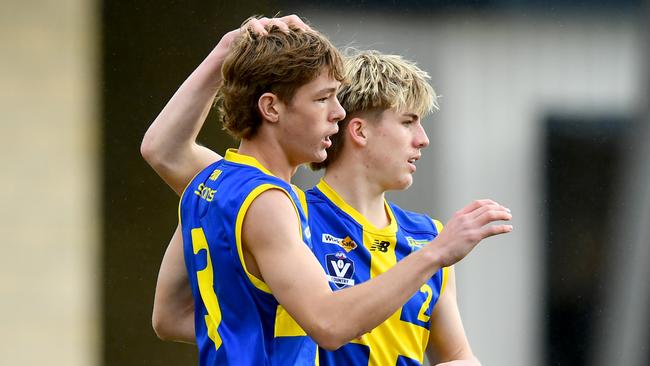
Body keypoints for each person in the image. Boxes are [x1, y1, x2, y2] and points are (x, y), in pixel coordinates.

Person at [141, 15, 512, 366]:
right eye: (407, 121)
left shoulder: (222, 184)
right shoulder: (275, 204)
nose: (337, 113)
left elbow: (177, 316)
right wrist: (437, 253)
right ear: (359, 131)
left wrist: (226, 51)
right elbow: (330, 324)